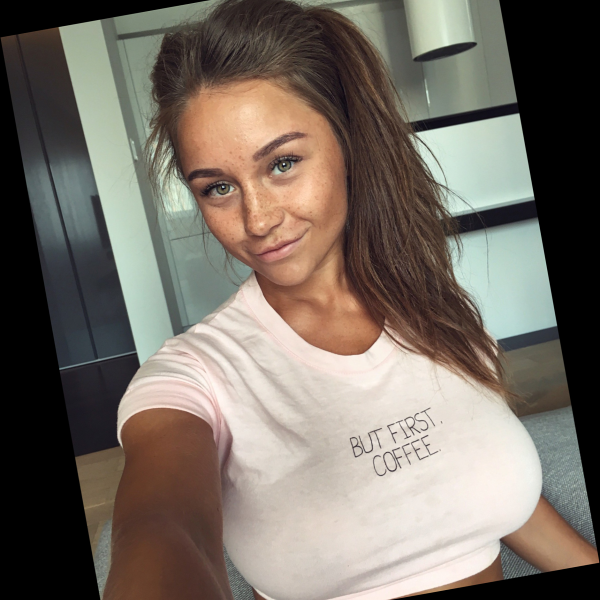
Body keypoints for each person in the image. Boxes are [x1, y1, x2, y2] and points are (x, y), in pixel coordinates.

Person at [103, 1, 598, 599]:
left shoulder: (436, 309)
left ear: (349, 143)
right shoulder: (194, 374)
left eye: (283, 163)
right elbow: (162, 528)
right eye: (219, 188)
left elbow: (487, 492)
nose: (256, 220)